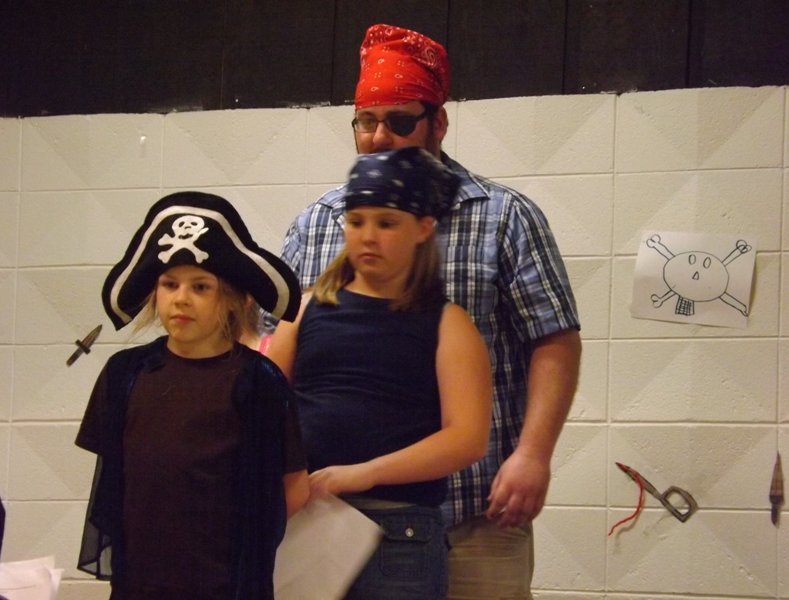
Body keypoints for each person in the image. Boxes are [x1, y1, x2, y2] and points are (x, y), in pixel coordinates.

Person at [277, 24, 582, 600]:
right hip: (326, 516)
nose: (379, 136)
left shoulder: (505, 216)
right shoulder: (317, 221)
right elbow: (272, 362)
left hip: (477, 510)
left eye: (399, 120)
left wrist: (533, 455)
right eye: (366, 121)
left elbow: (554, 340)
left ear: (438, 122)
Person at [268, 146, 493, 599]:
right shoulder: (305, 309)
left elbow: (467, 438)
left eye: (386, 224)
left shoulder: (448, 324)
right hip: (304, 515)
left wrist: (366, 473)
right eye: (356, 222)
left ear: (423, 229)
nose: (368, 237)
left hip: (399, 528)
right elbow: (265, 406)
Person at [75, 191, 309, 600]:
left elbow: (295, 487)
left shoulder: (258, 382)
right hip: (139, 584)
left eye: (201, 286)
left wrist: (246, 551)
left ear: (232, 299)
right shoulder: (124, 374)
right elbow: (117, 482)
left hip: (224, 587)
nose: (181, 299)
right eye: (170, 284)